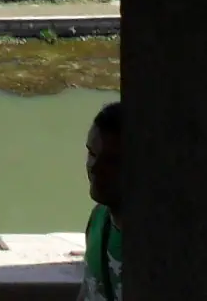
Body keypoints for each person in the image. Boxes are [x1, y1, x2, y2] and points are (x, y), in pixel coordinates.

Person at [82, 102, 123, 301]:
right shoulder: (99, 218)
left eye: (111, 161)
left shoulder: (160, 244)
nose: (95, 168)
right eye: (91, 153)